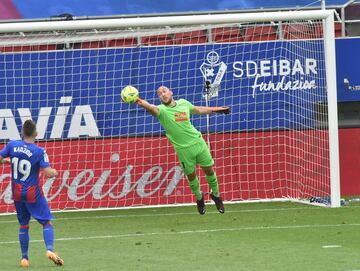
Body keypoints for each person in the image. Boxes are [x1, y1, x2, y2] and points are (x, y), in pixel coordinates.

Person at [135, 86, 230, 214]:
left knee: (209, 170)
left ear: (171, 92)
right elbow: (151, 107)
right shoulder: (161, 111)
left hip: (198, 143)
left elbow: (198, 109)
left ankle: (216, 196)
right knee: (191, 176)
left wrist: (216, 109)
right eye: (159, 94)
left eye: (164, 91)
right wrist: (139, 101)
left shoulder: (183, 103)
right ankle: (199, 197)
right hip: (183, 150)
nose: (162, 94)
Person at [0, 119, 64, 268]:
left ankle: (24, 258)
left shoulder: (12, 145)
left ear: (22, 132)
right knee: (46, 221)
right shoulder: (39, 151)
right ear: (36, 133)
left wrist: (7, 162)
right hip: (32, 193)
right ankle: (49, 249)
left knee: (23, 225)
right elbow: (48, 173)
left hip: (16, 192)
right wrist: (54, 172)